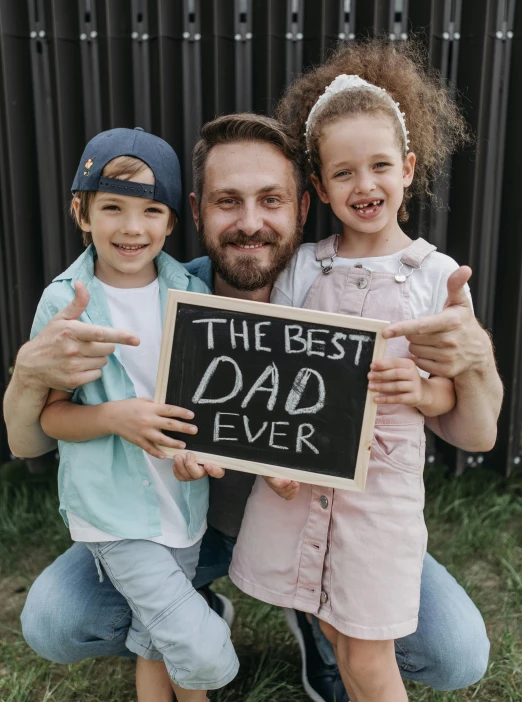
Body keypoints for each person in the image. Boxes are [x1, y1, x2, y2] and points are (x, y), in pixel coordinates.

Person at [4, 114, 500, 702]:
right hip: (188, 528)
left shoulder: (347, 294)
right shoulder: (161, 297)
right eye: (226, 201)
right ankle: (193, 608)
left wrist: (477, 359)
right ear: (195, 210)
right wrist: (29, 377)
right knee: (58, 619)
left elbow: (476, 436)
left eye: (271, 200)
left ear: (302, 208)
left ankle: (322, 626)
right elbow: (29, 442)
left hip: (330, 530)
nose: (249, 223)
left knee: (453, 654)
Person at [228, 40, 495, 702]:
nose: (364, 185)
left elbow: (448, 398)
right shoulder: (304, 267)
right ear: (318, 187)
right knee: (337, 630)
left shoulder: (436, 275)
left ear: (407, 169)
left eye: (380, 166)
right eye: (343, 173)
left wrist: (427, 387)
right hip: (303, 485)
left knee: (371, 656)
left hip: (380, 497)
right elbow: (278, 370)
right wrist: (271, 455)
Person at [28, 126, 239, 702]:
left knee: (154, 641)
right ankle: (215, 645)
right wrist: (115, 417)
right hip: (116, 512)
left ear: (172, 222)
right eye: (112, 207)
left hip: (183, 501)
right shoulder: (66, 299)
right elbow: (51, 417)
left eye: (150, 211)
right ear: (81, 211)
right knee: (197, 648)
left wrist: (198, 452)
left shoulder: (189, 291)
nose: (131, 227)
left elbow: (205, 403)